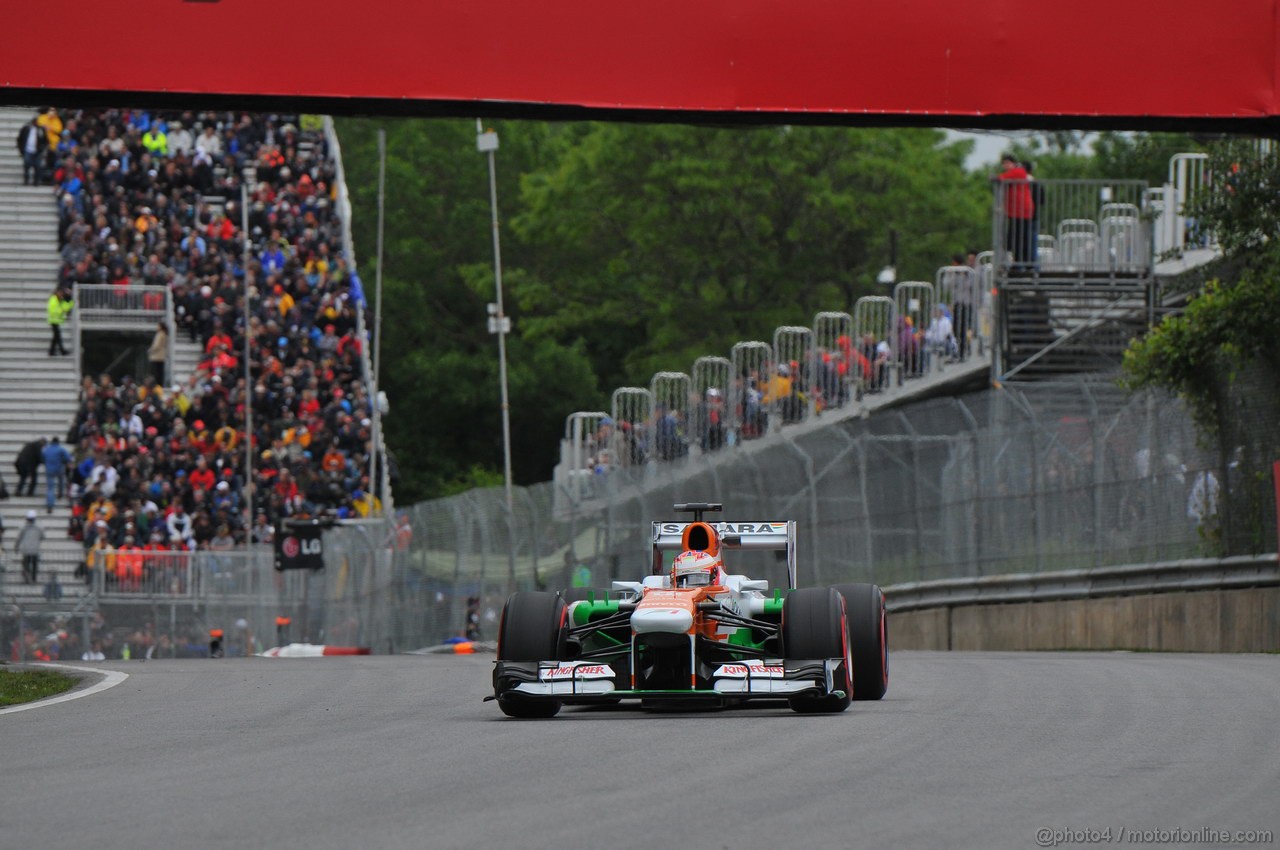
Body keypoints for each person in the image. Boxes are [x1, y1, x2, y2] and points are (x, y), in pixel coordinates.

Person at [995, 154, 1035, 268]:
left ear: (1013, 163)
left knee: (1022, 238)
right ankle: (1018, 262)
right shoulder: (1013, 173)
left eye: (1008, 163)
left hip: (1022, 211)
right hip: (1015, 212)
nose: (1006, 166)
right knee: (1015, 238)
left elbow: (1001, 178)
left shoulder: (1019, 171)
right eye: (1004, 163)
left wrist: (996, 177)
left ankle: (1026, 263)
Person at [42, 436, 72, 513]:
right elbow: (68, 458)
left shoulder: (46, 449)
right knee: (61, 479)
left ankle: (50, 505)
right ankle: (60, 493)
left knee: (50, 488)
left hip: (49, 470)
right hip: (58, 468)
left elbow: (42, 458)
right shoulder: (60, 449)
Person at [16, 115, 47, 185]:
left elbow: (45, 140)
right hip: (27, 150)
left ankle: (36, 181)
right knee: (26, 164)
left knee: (37, 166)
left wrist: (42, 148)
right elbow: (20, 139)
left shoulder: (41, 130)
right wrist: (21, 149)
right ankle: (26, 180)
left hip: (37, 151)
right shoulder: (25, 129)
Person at [15, 510, 44, 585]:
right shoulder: (39, 527)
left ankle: (27, 576)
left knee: (26, 564)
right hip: (35, 550)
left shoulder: (23, 527)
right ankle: (33, 579)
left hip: (26, 550)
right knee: (35, 565)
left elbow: (19, 538)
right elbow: (43, 537)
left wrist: (16, 547)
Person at [47, 286, 72, 356]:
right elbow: (52, 310)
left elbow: (66, 308)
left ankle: (52, 351)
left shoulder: (60, 299)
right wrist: (61, 310)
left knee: (56, 337)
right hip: (53, 321)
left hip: (57, 321)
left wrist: (70, 300)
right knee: (57, 337)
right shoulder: (53, 299)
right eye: (60, 292)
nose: (61, 294)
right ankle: (62, 351)